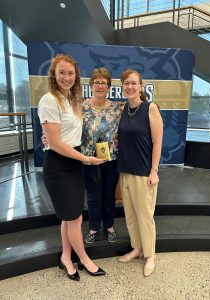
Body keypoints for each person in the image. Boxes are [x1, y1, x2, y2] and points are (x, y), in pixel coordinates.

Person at [38, 54, 106, 281]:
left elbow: (67, 134)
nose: (66, 77)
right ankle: (85, 259)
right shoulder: (49, 100)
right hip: (58, 167)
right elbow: (56, 143)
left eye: (70, 73)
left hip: (74, 163)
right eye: (62, 73)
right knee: (75, 219)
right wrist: (86, 159)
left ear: (76, 76)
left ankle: (66, 257)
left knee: (69, 218)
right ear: (54, 75)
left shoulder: (71, 100)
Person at [117, 69, 163, 277]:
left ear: (141, 86)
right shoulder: (123, 109)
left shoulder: (150, 108)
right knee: (131, 215)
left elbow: (157, 142)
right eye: (126, 83)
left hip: (144, 173)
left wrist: (154, 171)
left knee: (145, 216)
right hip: (125, 171)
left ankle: (150, 255)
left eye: (134, 83)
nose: (130, 86)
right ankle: (136, 248)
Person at [82, 68, 122, 244]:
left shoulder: (116, 108)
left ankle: (109, 226)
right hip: (89, 158)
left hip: (111, 158)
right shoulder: (81, 107)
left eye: (103, 83)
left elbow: (124, 132)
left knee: (108, 194)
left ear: (108, 87)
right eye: (96, 82)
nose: (100, 86)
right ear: (91, 85)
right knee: (92, 194)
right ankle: (93, 226)